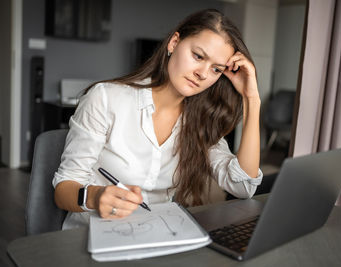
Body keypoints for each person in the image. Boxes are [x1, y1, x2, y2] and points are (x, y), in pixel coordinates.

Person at [53, 8, 263, 229]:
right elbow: (63, 190)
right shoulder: (106, 98)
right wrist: (95, 196)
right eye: (198, 56)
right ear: (174, 43)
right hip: (92, 234)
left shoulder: (201, 121)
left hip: (157, 236)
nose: (203, 73)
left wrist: (252, 98)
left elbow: (243, 186)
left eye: (216, 69)